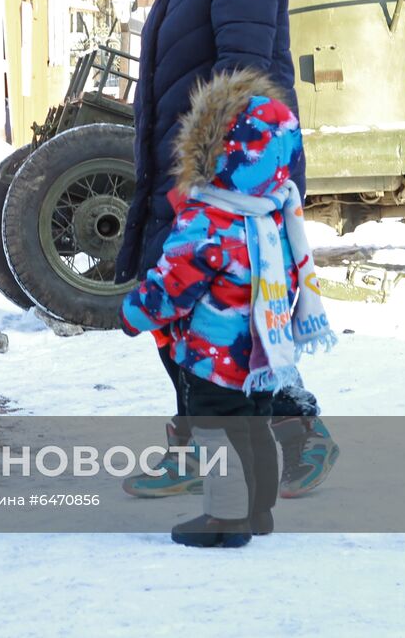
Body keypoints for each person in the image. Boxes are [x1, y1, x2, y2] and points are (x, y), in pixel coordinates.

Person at [114, 0, 339, 498]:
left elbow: (246, 83)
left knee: (217, 321)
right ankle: (200, 449)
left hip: (226, 188)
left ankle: (296, 435)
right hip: (185, 179)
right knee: (184, 322)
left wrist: (222, 192)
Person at [122, 69, 335, 546]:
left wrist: (133, 314)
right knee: (254, 429)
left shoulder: (208, 218)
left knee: (218, 435)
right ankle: (259, 512)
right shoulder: (275, 213)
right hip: (260, 354)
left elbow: (172, 286)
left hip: (213, 357)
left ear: (214, 149)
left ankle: (226, 518)